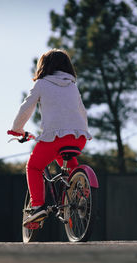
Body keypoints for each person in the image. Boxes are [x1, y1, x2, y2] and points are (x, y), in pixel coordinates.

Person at [9, 48, 92, 226]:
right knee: (67, 163)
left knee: (34, 167)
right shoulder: (72, 86)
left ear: (44, 66)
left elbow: (26, 107)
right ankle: (78, 194)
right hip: (78, 137)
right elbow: (82, 111)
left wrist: (17, 129)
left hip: (54, 137)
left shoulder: (41, 84)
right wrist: (83, 132)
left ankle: (38, 206)